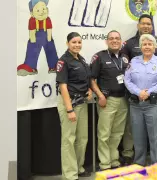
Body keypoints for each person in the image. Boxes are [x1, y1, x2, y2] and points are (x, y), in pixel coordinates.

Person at [124, 34, 157, 166]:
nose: (147, 46)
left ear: (155, 46)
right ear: (140, 47)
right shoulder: (133, 62)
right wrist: (138, 92)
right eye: (144, 44)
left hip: (154, 105)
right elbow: (127, 80)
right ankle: (139, 164)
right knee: (138, 137)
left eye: (150, 44)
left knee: (156, 138)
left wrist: (149, 92)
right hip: (136, 105)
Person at [120, 13, 157, 166]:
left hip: (153, 95)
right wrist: (136, 90)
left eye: (149, 24)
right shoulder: (129, 44)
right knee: (131, 127)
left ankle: (149, 156)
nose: (146, 26)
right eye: (143, 23)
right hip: (134, 94)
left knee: (152, 128)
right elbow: (125, 68)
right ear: (138, 26)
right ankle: (129, 154)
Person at [90, 30, 129, 170]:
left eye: (117, 38)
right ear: (106, 41)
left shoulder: (125, 57)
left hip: (123, 99)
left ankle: (114, 160)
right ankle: (105, 164)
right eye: (111, 39)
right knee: (104, 134)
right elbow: (91, 79)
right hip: (107, 100)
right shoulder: (99, 57)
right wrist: (100, 96)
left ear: (121, 41)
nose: (114, 41)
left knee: (117, 133)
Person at [56, 32, 92, 180]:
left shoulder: (81, 59)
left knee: (82, 138)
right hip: (69, 103)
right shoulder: (64, 61)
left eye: (79, 42)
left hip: (82, 102)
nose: (77, 45)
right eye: (74, 42)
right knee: (69, 139)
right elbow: (62, 86)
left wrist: (89, 90)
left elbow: (85, 80)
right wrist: (69, 109)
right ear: (67, 44)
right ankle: (70, 175)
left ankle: (78, 167)